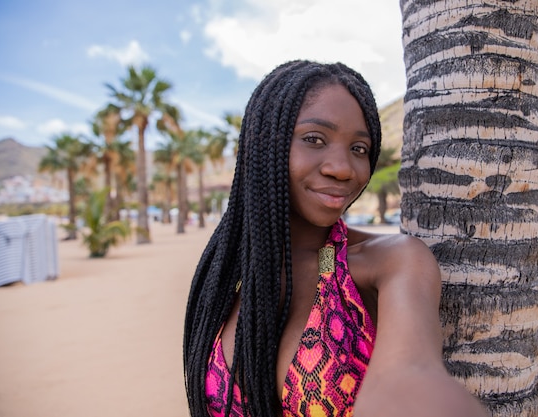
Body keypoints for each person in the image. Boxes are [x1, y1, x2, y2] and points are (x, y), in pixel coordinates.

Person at [183, 60, 487, 417]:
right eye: (315, 139)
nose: (342, 168)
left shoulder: (388, 262)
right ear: (263, 144)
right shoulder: (228, 279)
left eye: (359, 148)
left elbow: (411, 373)